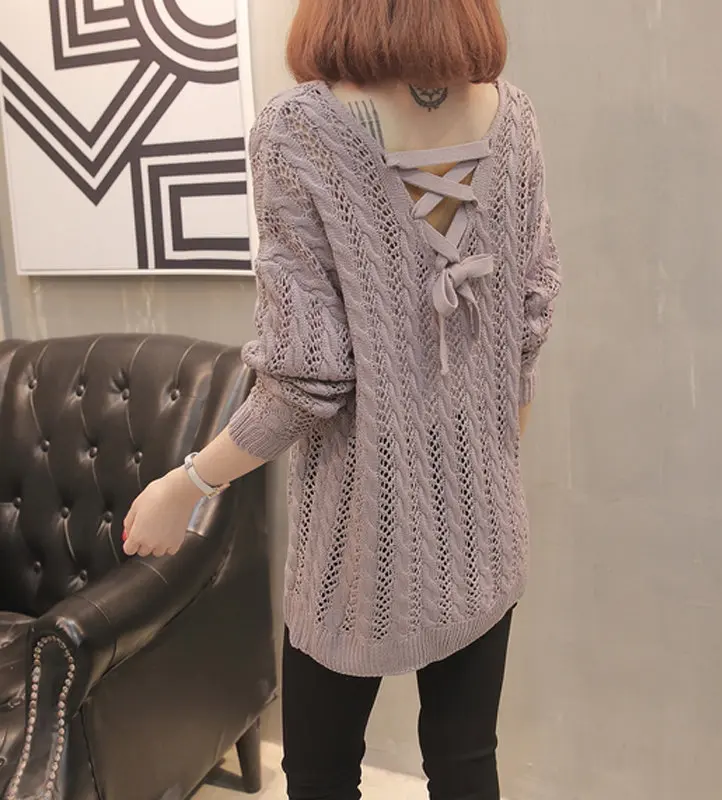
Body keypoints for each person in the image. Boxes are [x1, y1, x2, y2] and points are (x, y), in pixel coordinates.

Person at [122, 0, 561, 797]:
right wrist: (480, 479)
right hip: (487, 530)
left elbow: (305, 383)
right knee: (467, 761)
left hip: (358, 544)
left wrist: (186, 484)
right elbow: (528, 331)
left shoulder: (299, 130)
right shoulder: (514, 116)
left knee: (321, 772)